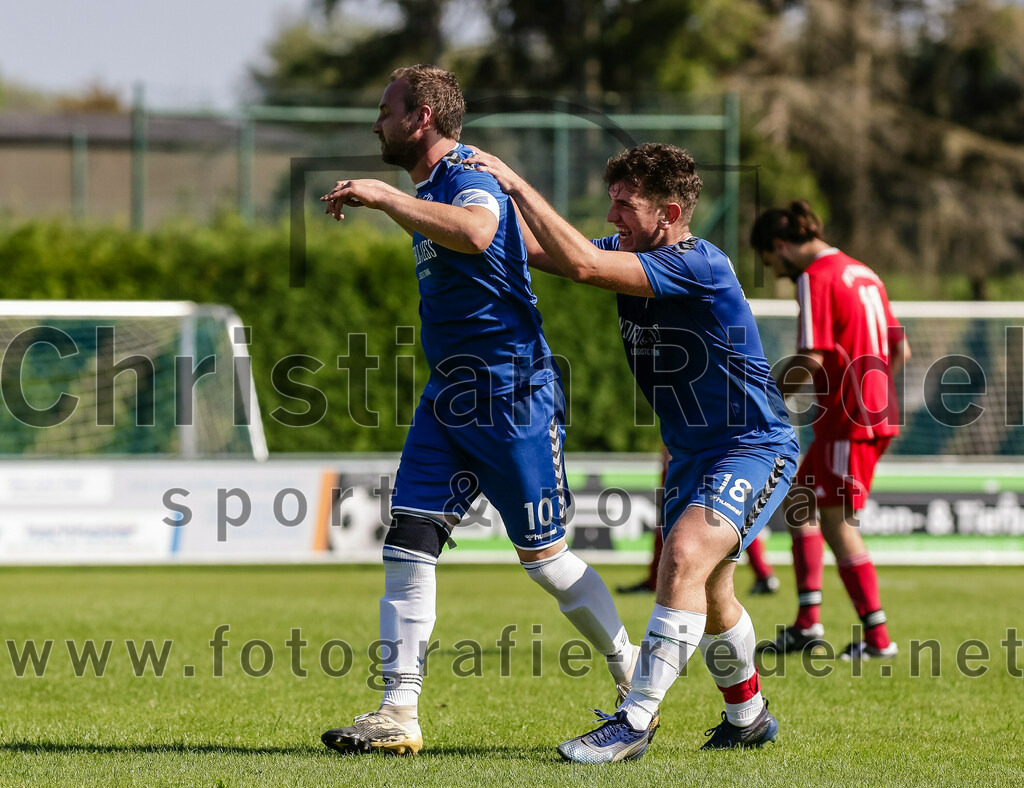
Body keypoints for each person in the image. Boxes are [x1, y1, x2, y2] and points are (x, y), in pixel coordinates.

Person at [318, 65, 638, 756]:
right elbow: (513, 249)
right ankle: (397, 710)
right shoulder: (433, 188)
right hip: (449, 398)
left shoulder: (466, 177)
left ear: (422, 117)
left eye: (386, 109)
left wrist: (382, 197)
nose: (376, 122)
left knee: (547, 561)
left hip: (513, 394)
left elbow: (479, 230)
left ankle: (632, 676)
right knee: (407, 540)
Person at [466, 142, 800, 762]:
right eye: (612, 202)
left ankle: (635, 721)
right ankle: (748, 714)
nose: (613, 215)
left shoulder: (699, 265)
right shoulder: (630, 249)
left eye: (625, 205)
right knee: (713, 587)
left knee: (683, 556)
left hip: (752, 445)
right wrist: (452, 208)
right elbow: (550, 253)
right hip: (691, 451)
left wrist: (514, 181)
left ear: (670, 213)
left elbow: (585, 266)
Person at [750, 201, 909, 660]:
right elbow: (903, 349)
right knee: (801, 503)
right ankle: (806, 623)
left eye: (771, 263)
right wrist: (877, 395)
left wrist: (764, 399)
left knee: (837, 523)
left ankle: (879, 640)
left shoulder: (816, 278)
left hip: (849, 419)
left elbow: (812, 358)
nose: (778, 273)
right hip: (866, 411)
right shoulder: (865, 273)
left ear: (781, 246)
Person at [618, 447, 780, 596]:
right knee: (732, 516)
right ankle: (764, 575)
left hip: (694, 458)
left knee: (674, 519)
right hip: (717, 456)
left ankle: (655, 581)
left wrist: (668, 471)